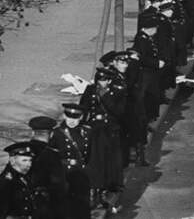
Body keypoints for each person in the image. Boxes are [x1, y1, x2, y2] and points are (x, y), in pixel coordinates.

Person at [79, 67, 126, 213]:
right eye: (99, 79)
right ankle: (95, 190)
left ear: (110, 81)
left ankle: (107, 187)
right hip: (93, 129)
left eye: (104, 80)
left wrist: (105, 96)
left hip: (109, 129)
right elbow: (83, 107)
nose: (101, 83)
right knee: (94, 160)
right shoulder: (90, 89)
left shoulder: (117, 90)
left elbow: (118, 112)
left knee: (108, 161)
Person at [49, 104, 91, 219]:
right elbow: (51, 157)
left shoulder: (86, 132)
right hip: (63, 176)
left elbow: (91, 156)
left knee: (82, 207)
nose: (72, 121)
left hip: (81, 175)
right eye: (69, 117)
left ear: (81, 117)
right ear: (64, 116)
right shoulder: (57, 133)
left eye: (75, 118)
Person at [28, 115, 67, 219]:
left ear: (32, 133)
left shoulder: (21, 151)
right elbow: (59, 188)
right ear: (52, 134)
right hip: (45, 210)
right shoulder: (52, 156)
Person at [131, 14, 163, 123]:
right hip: (146, 72)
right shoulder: (142, 39)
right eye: (155, 28)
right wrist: (157, 63)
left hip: (151, 72)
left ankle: (150, 116)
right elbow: (143, 57)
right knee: (148, 95)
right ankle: (148, 118)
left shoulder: (147, 38)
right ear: (150, 29)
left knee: (152, 94)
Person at [0, 142, 35, 218]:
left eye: (30, 160)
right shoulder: (7, 181)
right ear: (12, 161)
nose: (29, 164)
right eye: (24, 160)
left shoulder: (23, 177)